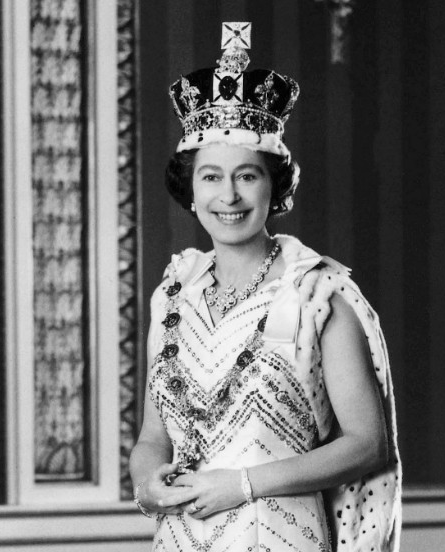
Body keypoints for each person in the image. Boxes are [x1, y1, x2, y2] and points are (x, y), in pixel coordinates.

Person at [129, 22, 401, 552]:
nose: (228, 195)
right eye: (210, 176)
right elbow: (151, 439)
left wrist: (242, 485)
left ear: (274, 185)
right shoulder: (172, 295)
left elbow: (368, 445)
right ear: (190, 189)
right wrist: (148, 487)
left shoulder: (316, 293)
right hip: (182, 537)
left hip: (279, 536)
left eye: (246, 175)